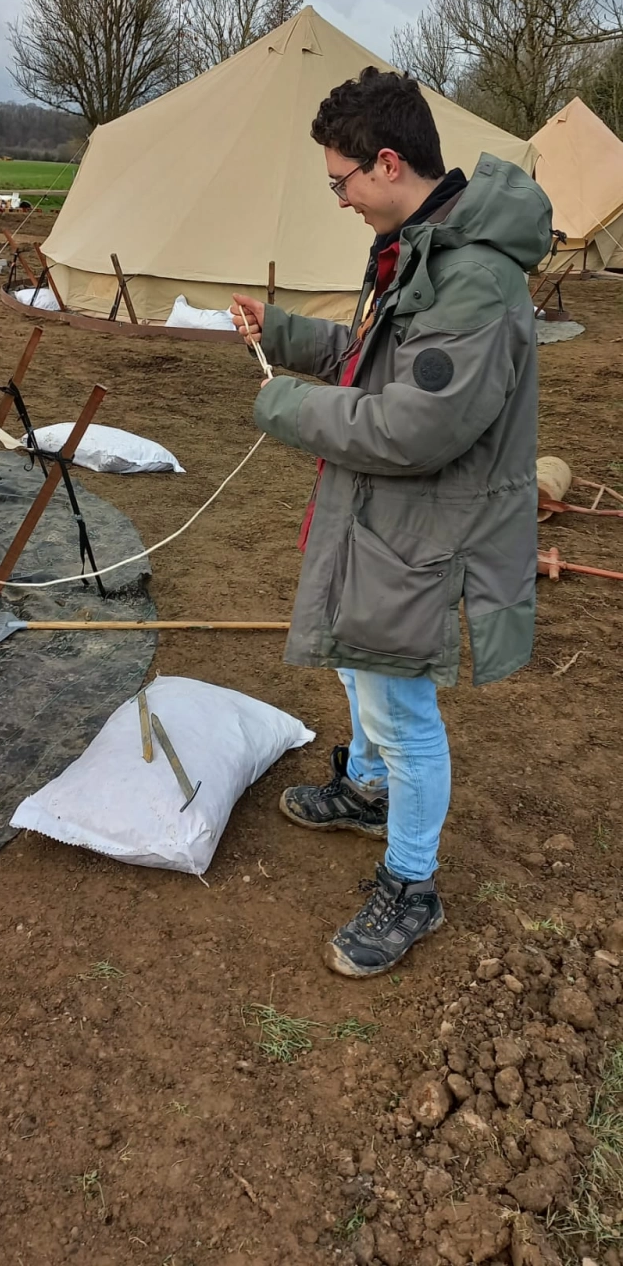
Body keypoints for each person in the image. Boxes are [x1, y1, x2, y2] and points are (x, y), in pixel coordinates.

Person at [231, 68, 552, 980]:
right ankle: (368, 790)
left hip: (421, 529)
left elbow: (417, 426)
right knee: (357, 664)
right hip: (376, 515)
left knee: (400, 709)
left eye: (340, 183)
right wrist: (283, 331)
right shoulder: (419, 247)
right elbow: (376, 359)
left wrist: (283, 405)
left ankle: (412, 883)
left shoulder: (472, 278)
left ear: (385, 162)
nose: (339, 200)